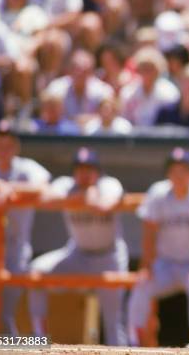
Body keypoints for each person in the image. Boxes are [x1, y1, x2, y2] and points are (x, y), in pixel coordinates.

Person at [28, 147, 128, 345]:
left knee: (113, 322)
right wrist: (78, 197)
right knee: (36, 271)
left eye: (89, 168)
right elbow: (45, 200)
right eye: (80, 169)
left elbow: (103, 205)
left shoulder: (108, 183)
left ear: (98, 171)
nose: (84, 173)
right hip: (78, 255)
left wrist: (87, 195)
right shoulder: (66, 184)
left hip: (109, 258)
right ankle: (38, 340)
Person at [127, 147, 189, 346]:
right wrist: (146, 265)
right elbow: (149, 233)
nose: (179, 175)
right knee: (142, 285)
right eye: (174, 170)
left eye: (184, 169)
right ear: (168, 173)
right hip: (166, 263)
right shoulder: (158, 192)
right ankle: (133, 342)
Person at [0, 121, 50, 334]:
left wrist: (10, 189)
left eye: (8, 145)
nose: (3, 150)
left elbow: (44, 186)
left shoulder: (27, 168)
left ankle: (22, 348)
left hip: (14, 250)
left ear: (16, 147)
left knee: (3, 314)